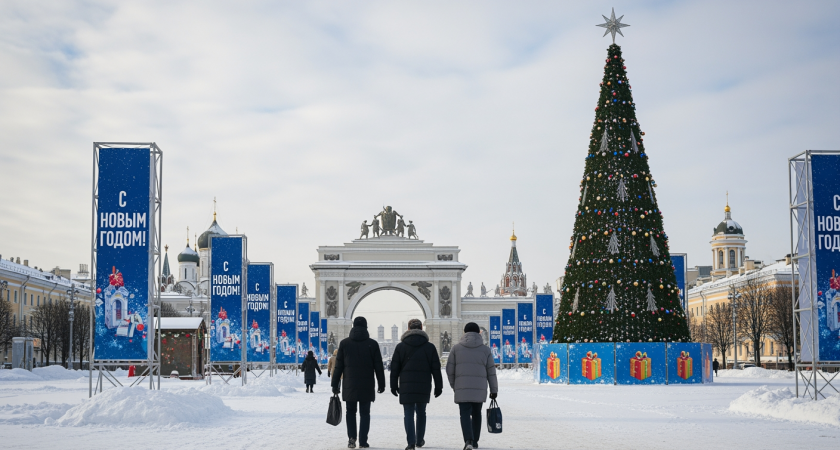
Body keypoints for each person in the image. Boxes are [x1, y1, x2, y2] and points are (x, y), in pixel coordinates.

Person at [331, 316, 386, 449]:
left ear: (353, 327)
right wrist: (381, 383)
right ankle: (363, 441)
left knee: (350, 412)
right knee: (365, 413)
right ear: (366, 327)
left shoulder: (344, 344)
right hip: (367, 384)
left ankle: (351, 438)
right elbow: (378, 366)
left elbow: (338, 367)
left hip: (350, 384)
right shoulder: (372, 344)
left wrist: (335, 384)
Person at [390, 319, 443, 450]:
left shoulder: (400, 347)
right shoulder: (429, 347)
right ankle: (419, 440)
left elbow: (394, 368)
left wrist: (393, 385)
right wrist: (438, 386)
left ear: (408, 329)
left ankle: (411, 443)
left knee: (408, 413)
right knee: (421, 412)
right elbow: (436, 368)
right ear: (421, 328)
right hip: (423, 385)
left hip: (406, 386)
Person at [446, 322, 498, 450]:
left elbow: (449, 370)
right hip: (479, 390)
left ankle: (468, 440)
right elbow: (491, 371)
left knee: (464, 414)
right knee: (476, 413)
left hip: (462, 388)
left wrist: (455, 385)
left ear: (464, 333)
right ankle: (475, 441)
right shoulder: (485, 350)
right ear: (479, 333)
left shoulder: (456, 348)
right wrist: (494, 390)